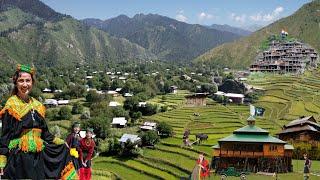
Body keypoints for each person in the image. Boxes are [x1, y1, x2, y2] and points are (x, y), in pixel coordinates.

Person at [0, 64, 78, 179]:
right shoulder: (11, 106)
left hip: (38, 157)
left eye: (28, 80)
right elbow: (5, 136)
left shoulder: (38, 105)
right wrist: (2, 161)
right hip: (19, 158)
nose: (25, 84)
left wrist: (61, 142)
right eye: (21, 81)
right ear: (16, 83)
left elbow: (45, 134)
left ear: (32, 83)